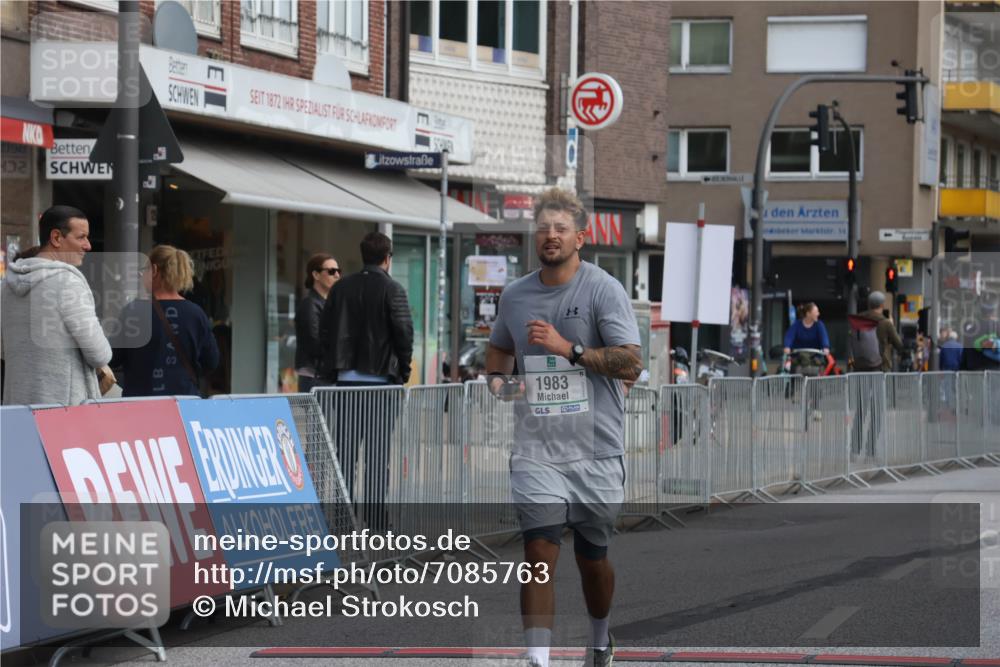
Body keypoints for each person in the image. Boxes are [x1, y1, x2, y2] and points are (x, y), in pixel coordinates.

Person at [485, 188, 642, 667]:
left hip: (596, 449)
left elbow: (631, 364)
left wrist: (567, 349)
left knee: (592, 558)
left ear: (580, 237)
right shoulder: (514, 296)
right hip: (536, 450)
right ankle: (538, 659)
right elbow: (497, 360)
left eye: (561, 228)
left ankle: (599, 639)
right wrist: (505, 388)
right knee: (538, 552)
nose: (550, 235)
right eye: (544, 227)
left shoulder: (602, 289)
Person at [319, 232, 413, 530]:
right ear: (387, 258)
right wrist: (404, 371)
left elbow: (325, 331)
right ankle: (375, 519)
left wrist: (332, 369)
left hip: (346, 382)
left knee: (345, 453)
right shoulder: (392, 289)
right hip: (380, 383)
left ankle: (343, 520)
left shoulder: (340, 288)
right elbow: (404, 334)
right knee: (377, 453)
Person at [1, 205, 114, 405]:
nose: (88, 245)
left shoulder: (6, 286)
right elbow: (99, 354)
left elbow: (3, 349)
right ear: (56, 238)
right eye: (81, 237)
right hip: (64, 412)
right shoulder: (67, 281)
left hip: (18, 407)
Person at [113, 245, 219, 397]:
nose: (142, 277)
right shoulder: (196, 313)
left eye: (144, 271)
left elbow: (113, 358)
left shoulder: (133, 311)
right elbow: (211, 362)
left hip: (139, 405)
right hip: (184, 403)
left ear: (154, 270)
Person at [295, 253, 340, 392]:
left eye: (339, 271)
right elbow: (315, 343)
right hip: (315, 377)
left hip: (324, 375)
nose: (337, 275)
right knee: (319, 414)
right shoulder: (310, 304)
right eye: (331, 271)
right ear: (316, 274)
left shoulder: (328, 303)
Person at [848, 290, 905, 372]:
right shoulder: (885, 322)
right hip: (880, 369)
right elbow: (899, 345)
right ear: (882, 305)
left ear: (869, 304)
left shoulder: (858, 319)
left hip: (859, 369)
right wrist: (891, 325)